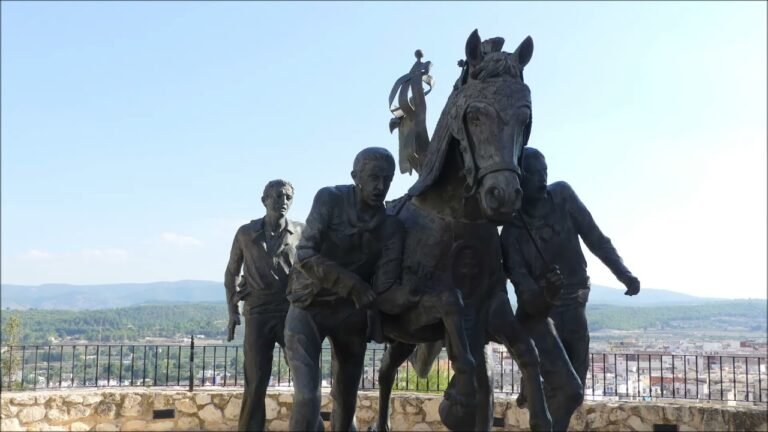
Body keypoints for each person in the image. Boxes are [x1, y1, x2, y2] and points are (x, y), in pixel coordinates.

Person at [501, 147, 641, 426]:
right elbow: (527, 298)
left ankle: (532, 391)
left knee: (572, 393)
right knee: (568, 391)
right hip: (540, 319)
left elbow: (596, 238)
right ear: (518, 178)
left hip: (575, 308)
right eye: (533, 174)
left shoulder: (562, 195)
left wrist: (623, 273)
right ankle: (532, 387)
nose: (541, 179)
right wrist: (546, 293)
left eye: (544, 172)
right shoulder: (512, 233)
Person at [284, 147, 404, 431]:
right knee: (306, 398)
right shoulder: (330, 199)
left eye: (387, 179)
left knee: (347, 399)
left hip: (351, 316)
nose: (380, 186)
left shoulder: (391, 227)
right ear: (355, 177)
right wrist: (352, 284)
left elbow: (385, 285)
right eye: (373, 178)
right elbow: (305, 254)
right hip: (308, 306)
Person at [224, 179, 304, 432]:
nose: (284, 202)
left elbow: (314, 268)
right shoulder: (246, 233)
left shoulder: (302, 231)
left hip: (291, 313)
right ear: (264, 200)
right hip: (257, 314)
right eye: (278, 196)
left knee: (305, 381)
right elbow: (231, 272)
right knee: (256, 382)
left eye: (288, 197)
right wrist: (231, 311)